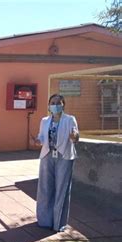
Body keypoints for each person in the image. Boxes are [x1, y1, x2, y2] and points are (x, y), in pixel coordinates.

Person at [34, 94, 79, 232]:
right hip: (47, 155)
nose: (55, 105)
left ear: (63, 104)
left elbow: (75, 136)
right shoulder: (45, 120)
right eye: (52, 103)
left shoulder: (70, 119)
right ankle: (44, 220)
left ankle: (58, 223)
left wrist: (74, 137)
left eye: (58, 103)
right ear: (48, 105)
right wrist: (37, 141)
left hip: (64, 156)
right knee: (45, 189)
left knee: (62, 190)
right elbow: (41, 137)